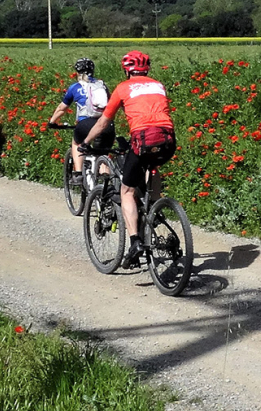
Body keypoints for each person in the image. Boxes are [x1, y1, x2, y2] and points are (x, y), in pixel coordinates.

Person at [83, 50, 175, 268]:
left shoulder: (123, 88)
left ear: (127, 71)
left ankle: (135, 242)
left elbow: (104, 122)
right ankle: (155, 206)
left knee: (127, 191)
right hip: (168, 140)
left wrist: (86, 142)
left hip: (143, 140)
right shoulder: (158, 85)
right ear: (147, 70)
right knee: (153, 165)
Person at [47, 57, 113, 172]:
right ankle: (106, 180)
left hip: (86, 124)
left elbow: (61, 109)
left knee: (77, 143)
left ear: (77, 72)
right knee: (102, 154)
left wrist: (52, 122)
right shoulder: (102, 85)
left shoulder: (75, 87)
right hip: (106, 124)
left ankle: (78, 173)